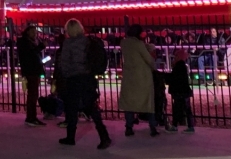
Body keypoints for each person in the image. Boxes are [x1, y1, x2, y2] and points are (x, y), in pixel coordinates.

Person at [55, 19, 112, 148]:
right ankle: (104, 136)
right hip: (87, 77)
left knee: (71, 108)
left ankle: (70, 137)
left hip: (73, 79)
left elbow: (64, 64)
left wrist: (64, 75)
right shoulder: (88, 41)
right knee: (91, 107)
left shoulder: (68, 43)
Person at [119, 24, 159, 136]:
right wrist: (154, 68)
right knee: (148, 102)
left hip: (129, 76)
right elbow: (149, 59)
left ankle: (129, 127)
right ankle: (152, 127)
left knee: (129, 103)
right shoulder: (139, 44)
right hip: (142, 76)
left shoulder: (124, 43)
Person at [17, 25, 46, 126]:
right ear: (27, 32)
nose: (35, 34)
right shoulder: (24, 42)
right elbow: (30, 54)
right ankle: (30, 117)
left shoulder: (31, 41)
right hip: (31, 71)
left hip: (34, 70)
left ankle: (32, 117)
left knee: (33, 94)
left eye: (36, 32)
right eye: (33, 32)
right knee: (32, 95)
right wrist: (41, 47)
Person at [164, 49, 195, 133]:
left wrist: (165, 77)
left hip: (179, 92)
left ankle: (175, 125)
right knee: (187, 109)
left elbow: (174, 78)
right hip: (184, 91)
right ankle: (190, 126)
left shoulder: (179, 66)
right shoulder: (182, 66)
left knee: (177, 109)